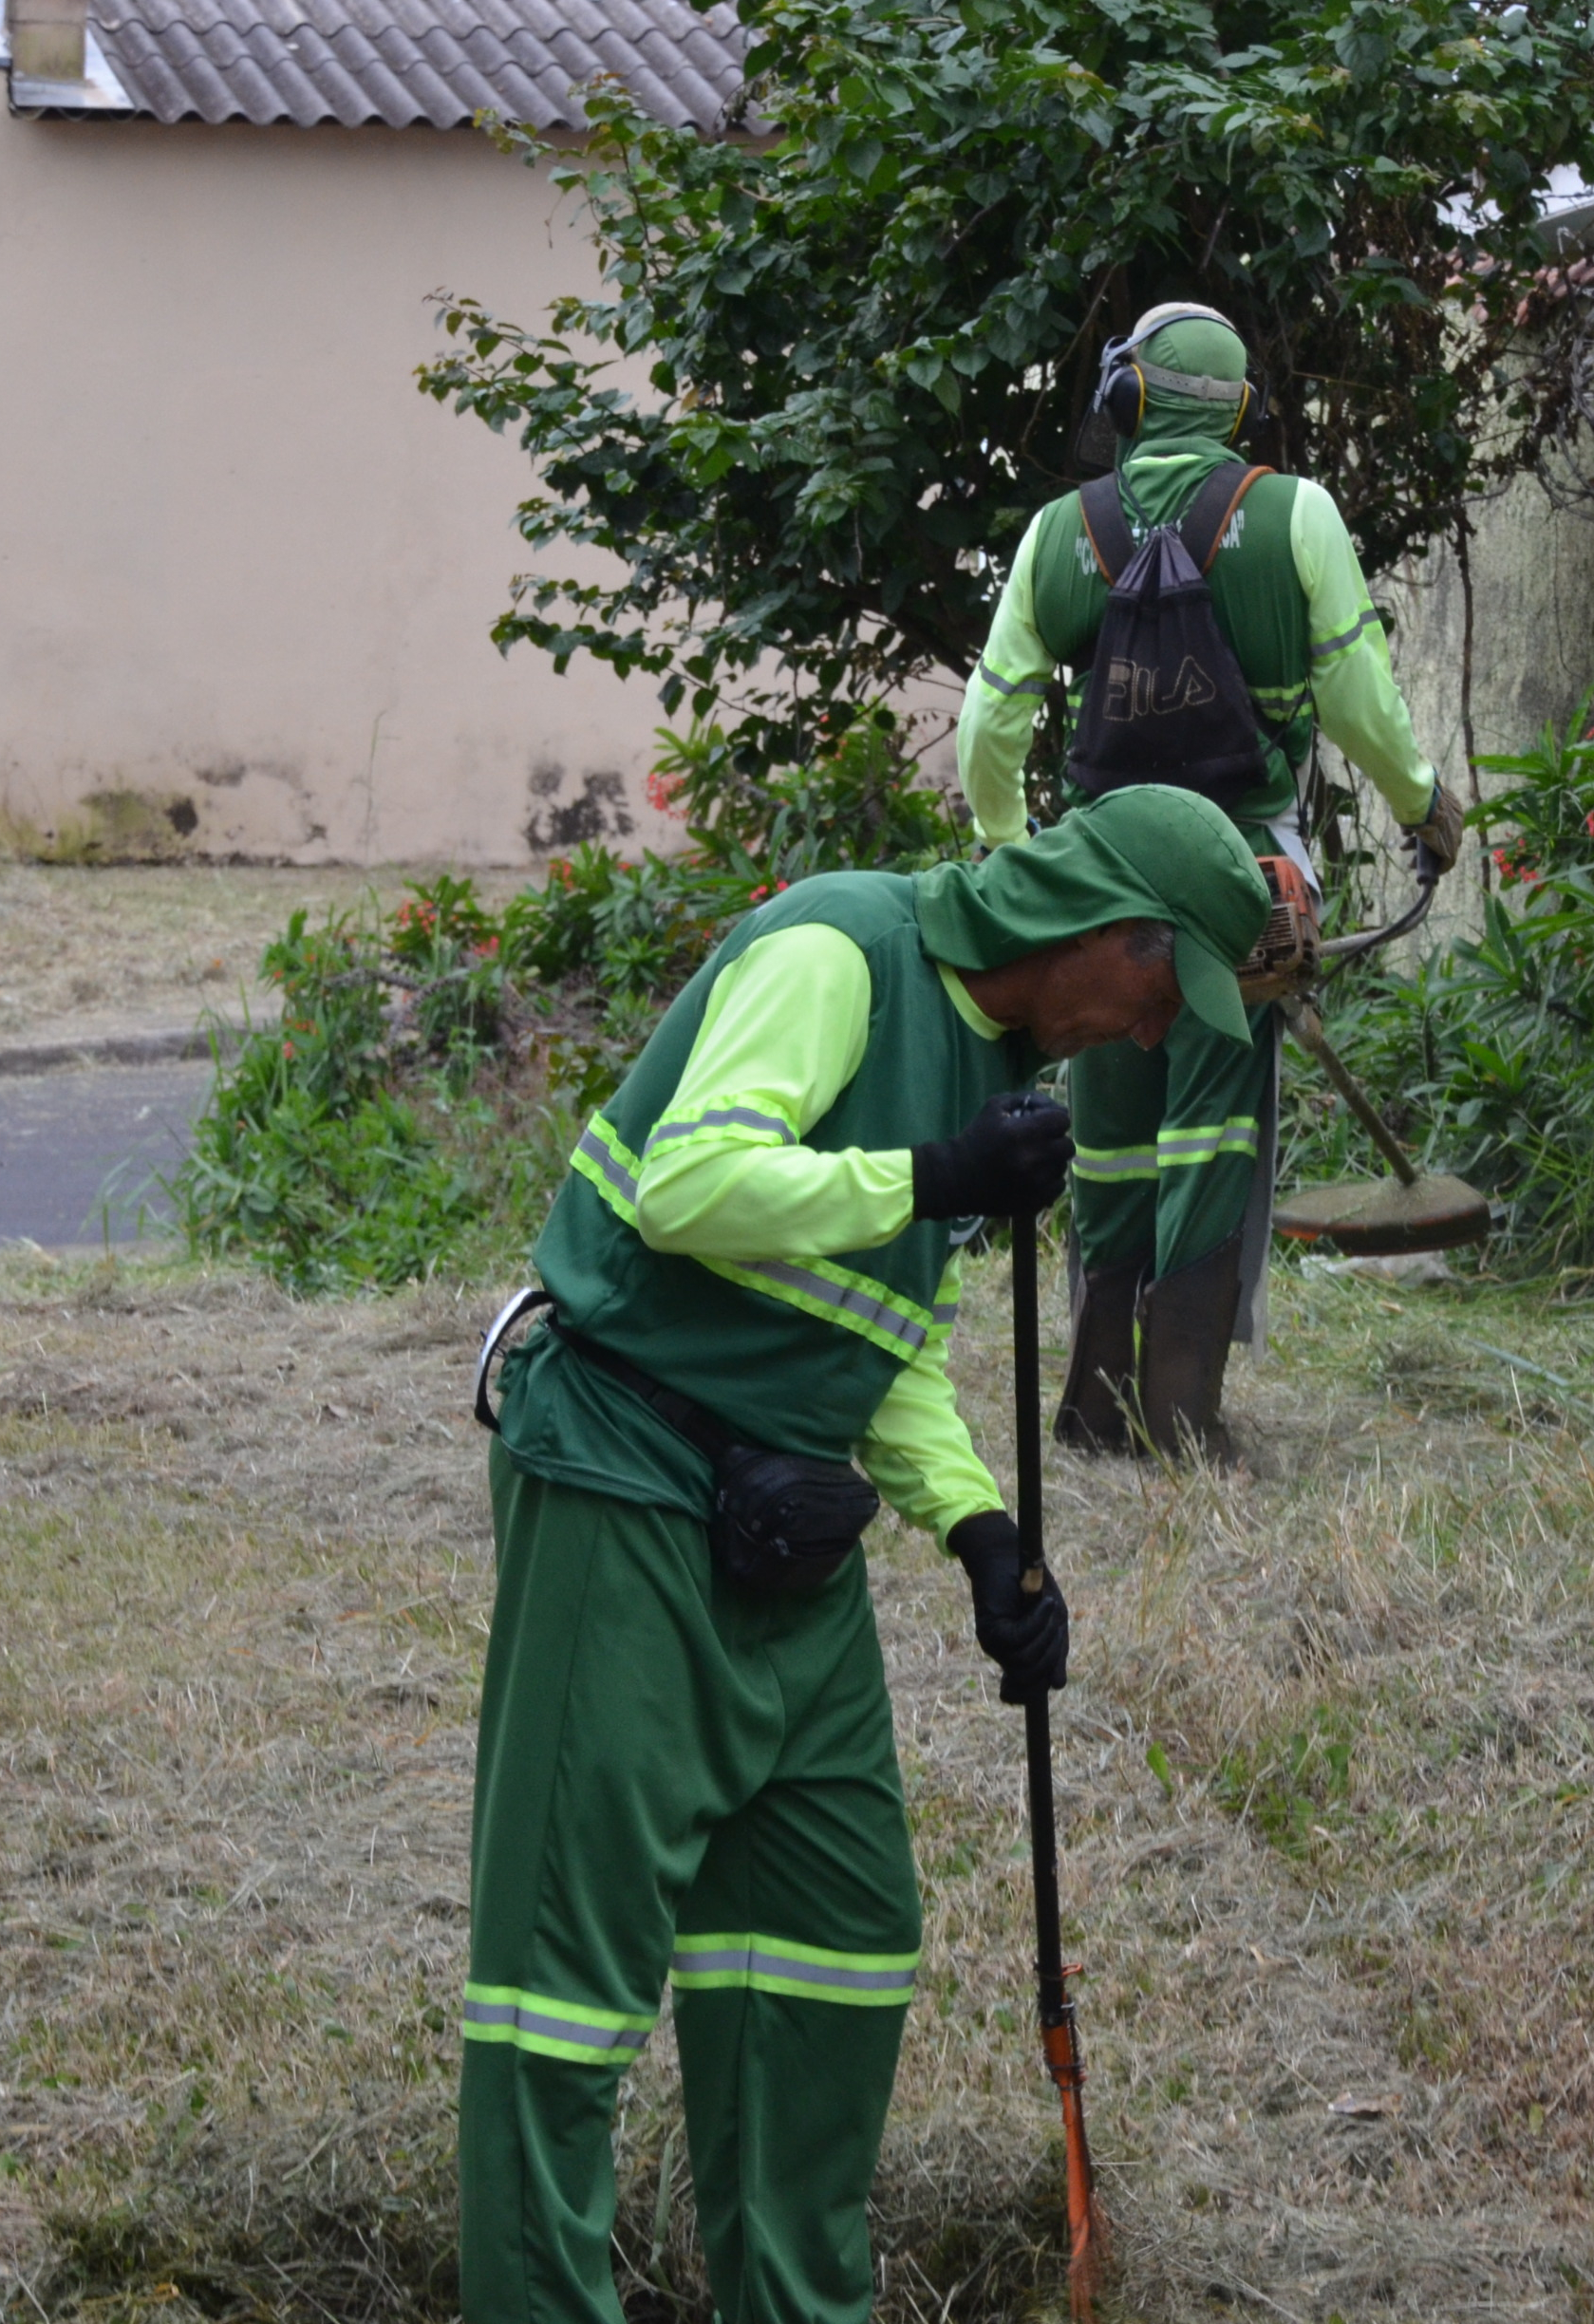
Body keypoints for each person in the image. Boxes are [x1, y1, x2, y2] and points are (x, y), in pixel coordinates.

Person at [460, 784, 1275, 2324]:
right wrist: (933, 1176)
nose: (1157, 1033)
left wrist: (976, 1528)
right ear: (1106, 924)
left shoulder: (986, 1072)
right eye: (1165, 989)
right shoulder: (842, 949)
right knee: (559, 1991)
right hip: (625, 1483)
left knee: (831, 1940)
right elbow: (689, 1183)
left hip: (791, 1519)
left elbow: (877, 1322)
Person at [955, 300, 1465, 1464]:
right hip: (1252, 876)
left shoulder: (1061, 532)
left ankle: (1092, 1403)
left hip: (1096, 885)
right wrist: (1422, 805)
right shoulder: (1293, 513)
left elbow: (990, 720)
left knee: (1111, 1132)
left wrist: (1007, 852)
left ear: (1125, 400)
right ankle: (1181, 1406)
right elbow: (1356, 699)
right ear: (1241, 411)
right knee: (1214, 1131)